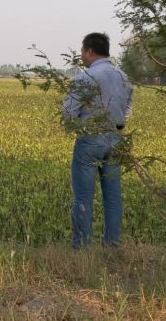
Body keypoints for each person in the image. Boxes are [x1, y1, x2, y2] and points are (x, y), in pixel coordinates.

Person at [63, 32, 133, 249]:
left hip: (91, 138)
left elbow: (68, 112)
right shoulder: (124, 76)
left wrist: (78, 128)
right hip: (116, 138)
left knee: (83, 195)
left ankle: (82, 248)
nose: (82, 55)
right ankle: (112, 244)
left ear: (89, 51)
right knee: (113, 195)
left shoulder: (86, 77)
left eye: (83, 51)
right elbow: (127, 110)